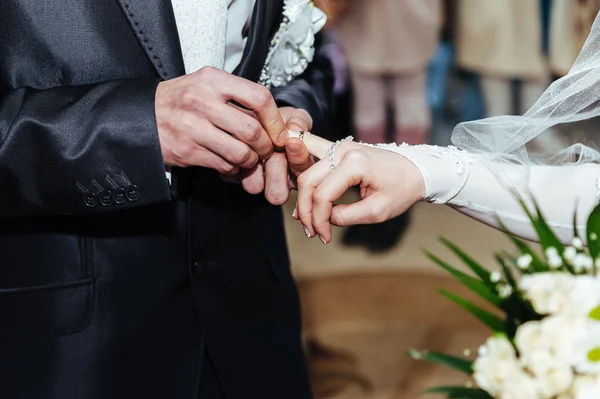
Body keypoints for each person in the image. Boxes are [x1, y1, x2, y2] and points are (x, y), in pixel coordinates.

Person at [0, 1, 331, 398]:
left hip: (255, 305)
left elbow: (309, 56)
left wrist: (289, 114)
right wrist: (137, 125)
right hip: (73, 338)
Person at [292, 11, 600, 248]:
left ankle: (392, 205)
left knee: (410, 101)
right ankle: (370, 186)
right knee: (368, 102)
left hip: (409, 18)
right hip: (362, 21)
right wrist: (422, 171)